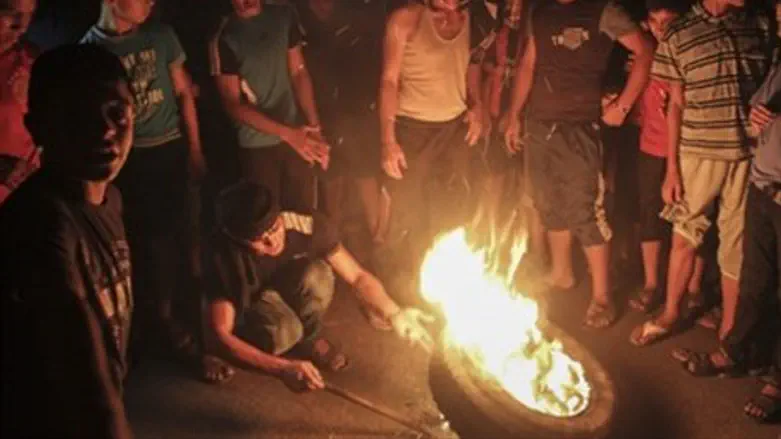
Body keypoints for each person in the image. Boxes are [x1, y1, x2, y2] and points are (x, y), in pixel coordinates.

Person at [0, 43, 134, 438]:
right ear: (37, 126)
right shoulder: (42, 225)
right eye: (80, 117)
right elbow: (78, 355)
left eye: (117, 112)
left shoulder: (110, 200)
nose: (106, 129)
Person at [629, 0, 775, 347]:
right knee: (685, 235)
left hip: (747, 155)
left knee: (736, 244)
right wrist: (672, 169)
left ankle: (729, 331)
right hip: (697, 153)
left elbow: (771, 81)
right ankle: (670, 314)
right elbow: (675, 105)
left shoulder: (759, 24)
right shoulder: (679, 33)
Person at [503, 0, 654, 328]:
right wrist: (514, 115)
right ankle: (561, 274)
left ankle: (602, 297)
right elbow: (529, 63)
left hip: (580, 127)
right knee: (548, 202)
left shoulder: (603, 10)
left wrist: (623, 106)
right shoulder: (539, 11)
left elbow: (645, 52)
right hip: (540, 124)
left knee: (584, 208)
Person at [667, 0, 781, 424]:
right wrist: (755, 120)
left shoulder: (758, 30)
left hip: (767, 182)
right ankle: (730, 351)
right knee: (755, 280)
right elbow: (758, 118)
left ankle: (774, 380)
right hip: (763, 183)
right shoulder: (775, 52)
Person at [203, 181, 434, 389]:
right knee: (286, 331)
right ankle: (241, 351)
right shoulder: (226, 258)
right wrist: (282, 368)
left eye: (274, 229)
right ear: (240, 240)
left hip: (283, 286)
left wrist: (394, 312)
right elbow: (219, 333)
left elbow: (357, 276)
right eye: (259, 240)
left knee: (320, 275)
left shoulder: (305, 223)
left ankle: (309, 340)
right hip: (251, 301)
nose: (272, 242)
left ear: (280, 217)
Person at [81, 0, 206, 363]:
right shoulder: (90, 50)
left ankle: (171, 319)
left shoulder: (162, 37)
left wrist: (195, 150)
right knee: (131, 241)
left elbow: (184, 93)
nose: (151, 2)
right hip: (124, 160)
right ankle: (134, 326)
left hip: (166, 150)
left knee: (171, 236)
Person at [377, 0, 487, 304]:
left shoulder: (469, 18)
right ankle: (394, 295)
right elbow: (388, 80)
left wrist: (476, 106)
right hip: (412, 130)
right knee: (406, 213)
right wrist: (388, 140)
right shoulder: (406, 20)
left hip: (453, 129)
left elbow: (472, 67)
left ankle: (442, 291)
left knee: (450, 211)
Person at [626, 0, 709, 315]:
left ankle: (694, 286)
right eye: (654, 21)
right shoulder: (644, 56)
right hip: (651, 147)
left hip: (689, 152)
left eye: (668, 21)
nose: (661, 29)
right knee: (651, 214)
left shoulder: (690, 54)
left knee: (692, 217)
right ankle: (651, 284)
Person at [209, 0, 329, 213]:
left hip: (298, 137)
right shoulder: (225, 37)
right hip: (257, 145)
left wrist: (315, 127)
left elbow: (298, 72)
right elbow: (232, 104)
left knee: (303, 213)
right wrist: (287, 134)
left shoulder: (283, 16)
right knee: (266, 216)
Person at [295, 0, 390, 244]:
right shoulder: (295, 16)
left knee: (366, 174)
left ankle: (380, 243)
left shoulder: (357, 11)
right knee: (330, 179)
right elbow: (298, 70)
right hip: (321, 111)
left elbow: (377, 58)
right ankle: (332, 246)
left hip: (358, 110)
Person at [0, 0, 38, 205]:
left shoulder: (30, 61)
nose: (21, 25)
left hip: (22, 207)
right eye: (10, 12)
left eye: (29, 14)